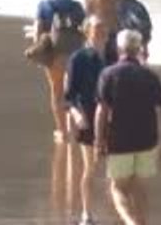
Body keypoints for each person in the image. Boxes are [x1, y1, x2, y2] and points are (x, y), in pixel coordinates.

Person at [95, 29, 161, 225]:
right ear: (139, 49)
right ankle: (141, 222)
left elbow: (101, 111)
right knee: (140, 187)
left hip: (120, 140)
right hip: (147, 140)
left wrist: (98, 141)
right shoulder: (150, 75)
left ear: (119, 48)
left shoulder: (108, 74)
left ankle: (130, 222)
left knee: (118, 187)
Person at [64, 15, 110, 225]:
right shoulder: (79, 58)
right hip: (88, 117)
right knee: (90, 166)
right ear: (87, 31)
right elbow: (69, 95)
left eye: (104, 28)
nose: (102, 32)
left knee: (115, 168)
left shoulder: (113, 55)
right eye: (97, 28)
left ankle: (117, 208)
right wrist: (76, 114)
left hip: (114, 119)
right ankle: (87, 212)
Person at [30, 0, 86, 141]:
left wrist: (39, 49)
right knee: (73, 90)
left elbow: (37, 30)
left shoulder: (44, 5)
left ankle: (62, 130)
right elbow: (84, 28)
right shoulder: (76, 6)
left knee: (57, 90)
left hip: (55, 53)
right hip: (75, 52)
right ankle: (73, 128)